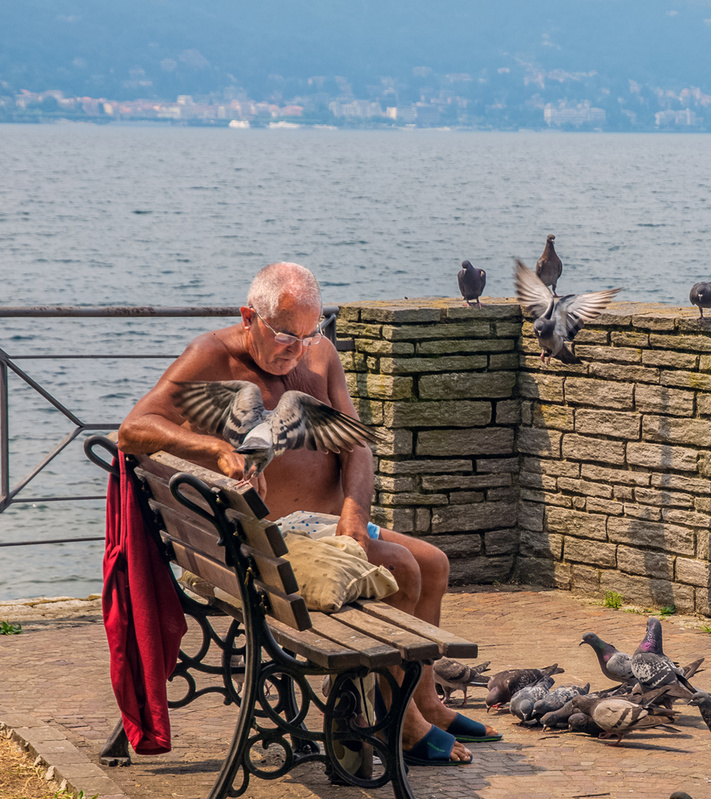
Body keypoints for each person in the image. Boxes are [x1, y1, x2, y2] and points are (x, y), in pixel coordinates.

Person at [118, 262, 491, 763]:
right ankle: (397, 723)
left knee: (434, 563)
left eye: (309, 332)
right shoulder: (211, 356)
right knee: (401, 566)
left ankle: (425, 702)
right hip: (258, 547)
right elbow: (134, 428)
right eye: (284, 335)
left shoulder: (319, 355)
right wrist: (214, 450)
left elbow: (357, 446)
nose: (298, 347)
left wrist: (355, 515)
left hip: (320, 528)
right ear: (248, 317)